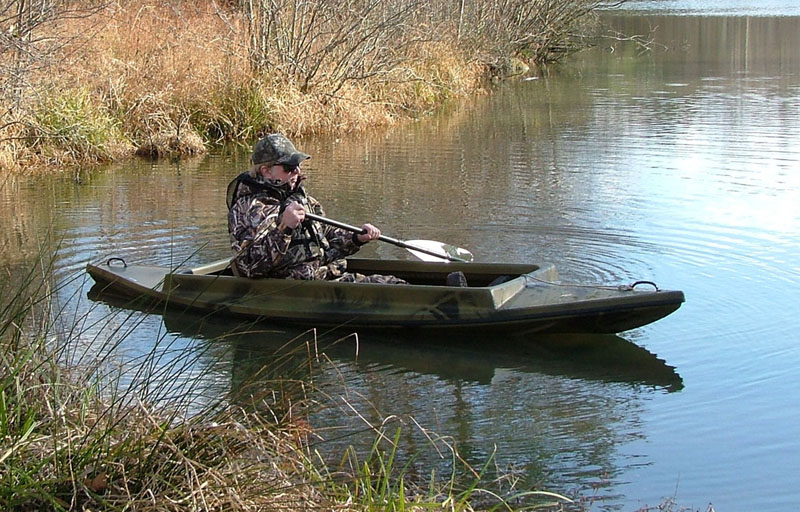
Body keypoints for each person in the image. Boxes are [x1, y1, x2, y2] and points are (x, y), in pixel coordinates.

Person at [226, 133, 406, 283]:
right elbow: (250, 266)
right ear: (265, 171)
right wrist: (284, 230)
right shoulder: (247, 209)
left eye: (297, 164)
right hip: (290, 291)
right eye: (288, 167)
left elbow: (329, 239)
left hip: (326, 277)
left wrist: (356, 238)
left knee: (397, 285)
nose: (296, 171)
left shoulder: (303, 199)